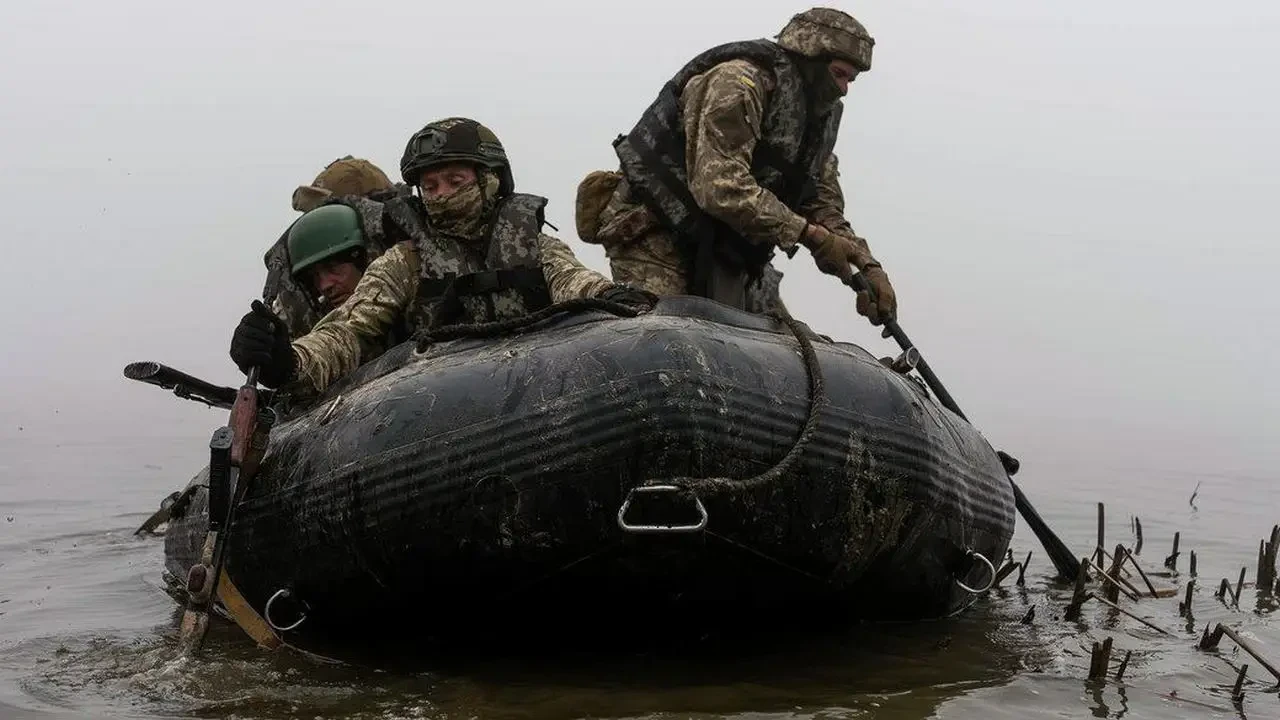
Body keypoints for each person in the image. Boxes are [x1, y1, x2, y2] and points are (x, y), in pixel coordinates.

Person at [229, 117, 654, 396]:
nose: (442, 195)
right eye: (430, 187)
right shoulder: (404, 262)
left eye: (455, 180)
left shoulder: (533, 246)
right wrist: (288, 361)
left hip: (538, 389)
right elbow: (347, 331)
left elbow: (575, 283)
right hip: (440, 410)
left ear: (489, 180)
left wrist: (615, 300)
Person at [574, 7, 897, 324]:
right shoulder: (737, 83)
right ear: (810, 58)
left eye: (851, 80)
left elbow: (820, 200)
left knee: (785, 348)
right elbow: (720, 187)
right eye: (838, 74)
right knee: (664, 337)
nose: (843, 89)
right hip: (658, 235)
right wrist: (810, 235)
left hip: (731, 252)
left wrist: (865, 264)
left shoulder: (819, 121)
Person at [264, 156, 409, 338]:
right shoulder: (303, 305)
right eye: (315, 275)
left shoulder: (418, 271)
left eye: (333, 266)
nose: (325, 285)